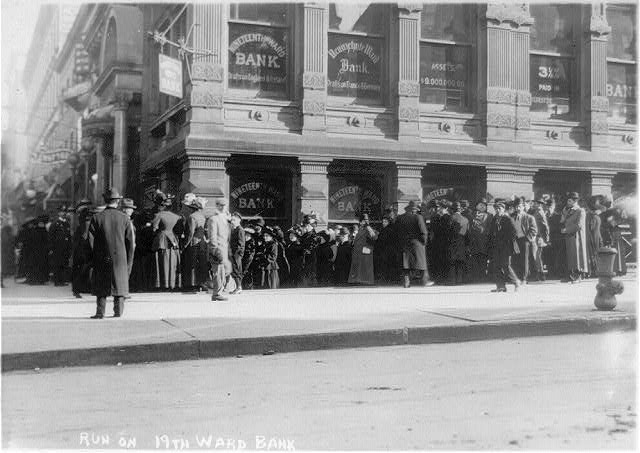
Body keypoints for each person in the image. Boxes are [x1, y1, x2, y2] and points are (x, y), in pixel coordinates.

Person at [88, 188, 135, 318]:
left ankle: (100, 312)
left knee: (101, 284)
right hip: (120, 256)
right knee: (119, 282)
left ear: (105, 200)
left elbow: (90, 241)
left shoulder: (97, 218)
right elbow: (130, 242)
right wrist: (128, 259)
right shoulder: (125, 218)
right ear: (118, 201)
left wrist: (94, 256)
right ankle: (118, 310)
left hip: (102, 256)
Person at [395, 201, 432, 288]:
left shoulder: (400, 218)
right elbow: (423, 232)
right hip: (417, 243)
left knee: (406, 264)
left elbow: (396, 232)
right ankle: (424, 281)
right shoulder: (418, 217)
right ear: (414, 210)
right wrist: (424, 242)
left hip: (404, 243)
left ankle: (406, 282)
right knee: (422, 263)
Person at [488, 201, 521, 292]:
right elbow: (491, 232)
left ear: (503, 209)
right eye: (496, 209)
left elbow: (514, 232)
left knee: (506, 265)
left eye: (500, 208)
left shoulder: (507, 219)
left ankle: (516, 282)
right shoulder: (495, 219)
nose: (498, 210)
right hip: (496, 246)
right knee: (496, 266)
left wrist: (506, 241)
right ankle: (500, 286)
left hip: (506, 246)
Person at [151, 192, 181, 290]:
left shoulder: (159, 215)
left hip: (162, 238)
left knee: (161, 261)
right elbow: (178, 230)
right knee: (172, 261)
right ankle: (172, 283)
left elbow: (154, 228)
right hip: (172, 238)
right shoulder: (176, 217)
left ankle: (162, 283)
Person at [206, 197, 231, 301]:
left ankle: (219, 291)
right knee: (218, 272)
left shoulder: (225, 219)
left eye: (224, 206)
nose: (223, 207)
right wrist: (215, 250)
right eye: (220, 205)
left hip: (224, 249)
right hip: (217, 249)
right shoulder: (213, 219)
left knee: (224, 271)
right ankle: (217, 293)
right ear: (217, 206)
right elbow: (212, 237)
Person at [561, 192, 588, 283]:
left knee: (577, 256)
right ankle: (571, 275)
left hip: (577, 236)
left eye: (569, 201)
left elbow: (579, 225)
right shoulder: (566, 210)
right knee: (570, 256)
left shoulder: (580, 211)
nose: (567, 202)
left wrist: (567, 230)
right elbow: (563, 221)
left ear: (575, 201)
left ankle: (578, 275)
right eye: (568, 200)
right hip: (569, 236)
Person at [181, 197, 207, 292]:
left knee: (191, 262)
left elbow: (191, 233)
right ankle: (201, 283)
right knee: (202, 262)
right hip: (202, 242)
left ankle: (191, 284)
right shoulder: (202, 216)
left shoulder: (192, 217)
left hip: (194, 242)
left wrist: (185, 244)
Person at [511, 197, 538, 284]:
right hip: (515, 240)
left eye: (519, 206)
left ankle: (524, 278)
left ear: (523, 206)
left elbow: (534, 230)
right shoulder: (511, 217)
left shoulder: (529, 217)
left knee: (524, 260)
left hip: (525, 240)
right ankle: (516, 278)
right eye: (516, 207)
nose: (518, 208)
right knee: (515, 259)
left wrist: (527, 239)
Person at [71, 199, 93, 297]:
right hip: (82, 245)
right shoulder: (83, 215)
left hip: (82, 245)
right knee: (81, 268)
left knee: (81, 268)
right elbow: (84, 232)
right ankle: (78, 288)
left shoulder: (80, 215)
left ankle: (80, 288)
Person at [348, 213, 378, 285]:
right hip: (357, 251)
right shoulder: (358, 229)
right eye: (365, 220)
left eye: (367, 220)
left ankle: (365, 281)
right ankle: (356, 280)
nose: (367, 221)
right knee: (357, 267)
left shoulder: (369, 229)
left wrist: (368, 227)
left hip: (365, 250)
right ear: (361, 221)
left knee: (365, 266)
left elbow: (374, 237)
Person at [468, 198, 492, 282]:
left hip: (484, 241)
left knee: (483, 259)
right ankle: (475, 276)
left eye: (484, 205)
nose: (482, 207)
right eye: (480, 205)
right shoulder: (471, 215)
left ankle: (482, 276)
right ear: (476, 206)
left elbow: (490, 228)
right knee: (474, 258)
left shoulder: (489, 216)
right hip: (474, 241)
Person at [49, 205, 72, 286]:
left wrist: (69, 247)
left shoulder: (66, 223)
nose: (64, 213)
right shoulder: (55, 224)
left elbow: (69, 236)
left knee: (64, 263)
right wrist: (51, 248)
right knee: (57, 264)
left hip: (65, 247)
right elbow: (51, 237)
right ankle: (57, 281)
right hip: (57, 248)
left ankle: (62, 280)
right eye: (62, 212)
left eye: (64, 212)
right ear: (59, 213)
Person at [374, 215, 400, 285]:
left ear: (388, 222)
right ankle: (391, 278)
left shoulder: (386, 230)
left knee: (386, 265)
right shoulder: (390, 230)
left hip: (387, 250)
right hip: (391, 250)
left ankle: (387, 278)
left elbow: (381, 241)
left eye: (385, 222)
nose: (383, 223)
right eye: (383, 222)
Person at [448, 201, 469, 285]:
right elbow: (467, 233)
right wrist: (467, 244)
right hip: (462, 242)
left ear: (452, 210)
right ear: (460, 210)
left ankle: (452, 280)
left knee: (452, 262)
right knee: (460, 262)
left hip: (452, 241)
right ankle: (459, 280)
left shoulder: (451, 218)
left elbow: (448, 231)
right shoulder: (465, 219)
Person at [585, 196, 604, 278]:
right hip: (595, 236)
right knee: (595, 253)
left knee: (593, 253)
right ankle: (596, 270)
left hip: (594, 236)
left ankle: (594, 270)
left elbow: (591, 228)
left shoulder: (591, 216)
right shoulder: (595, 216)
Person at [228, 212, 245, 294]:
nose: (232, 221)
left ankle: (239, 287)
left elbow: (241, 244)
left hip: (236, 254)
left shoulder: (240, 230)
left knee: (236, 270)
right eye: (232, 220)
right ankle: (238, 287)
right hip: (234, 253)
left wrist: (236, 254)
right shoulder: (234, 229)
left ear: (239, 220)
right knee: (234, 270)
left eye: (234, 220)